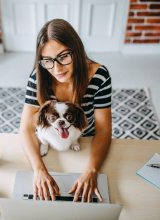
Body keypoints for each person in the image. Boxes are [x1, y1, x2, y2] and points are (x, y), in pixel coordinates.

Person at [19, 19, 112, 203]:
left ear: (76, 50)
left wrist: (92, 170)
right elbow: (26, 129)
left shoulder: (99, 76)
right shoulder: (38, 77)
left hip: (85, 141)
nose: (57, 68)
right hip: (49, 141)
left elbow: (103, 130)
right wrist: (39, 170)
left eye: (63, 57)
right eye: (48, 61)